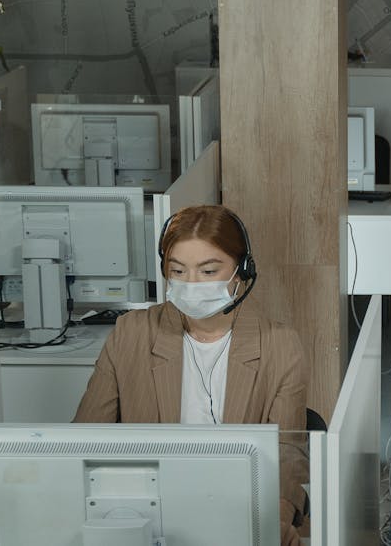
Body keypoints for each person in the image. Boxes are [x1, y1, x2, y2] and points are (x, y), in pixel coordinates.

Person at [74, 205, 308, 546]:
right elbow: (81, 440)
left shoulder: (279, 345)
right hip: (146, 516)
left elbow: (288, 449)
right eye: (178, 271)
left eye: (208, 271)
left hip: (236, 513)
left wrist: (280, 516)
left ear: (242, 271)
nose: (191, 284)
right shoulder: (132, 333)